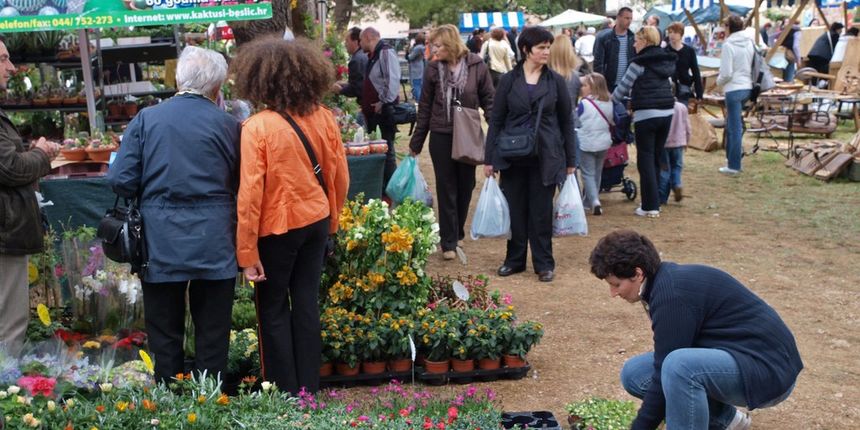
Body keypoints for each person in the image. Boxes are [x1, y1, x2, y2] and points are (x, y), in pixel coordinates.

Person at [108, 46, 240, 383]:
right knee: (213, 328)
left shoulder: (147, 119)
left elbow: (121, 180)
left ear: (179, 79)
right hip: (215, 238)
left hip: (160, 239)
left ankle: (168, 398)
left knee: (164, 328)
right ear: (216, 87)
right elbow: (245, 182)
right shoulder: (230, 125)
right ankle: (211, 397)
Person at [589, 229, 803, 430]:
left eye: (616, 284)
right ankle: (726, 420)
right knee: (635, 373)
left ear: (637, 274)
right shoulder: (661, 282)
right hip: (745, 357)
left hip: (769, 372)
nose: (613, 293)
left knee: (678, 366)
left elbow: (668, 365)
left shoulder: (672, 295)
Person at [232, 36, 349, 395]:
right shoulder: (324, 117)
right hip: (316, 221)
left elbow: (250, 196)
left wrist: (247, 254)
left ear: (259, 81)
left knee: (272, 309)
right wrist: (332, 221)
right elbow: (339, 174)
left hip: (276, 230)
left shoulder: (257, 127)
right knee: (307, 303)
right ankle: (308, 388)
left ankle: (282, 390)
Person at [484, 26, 576, 283]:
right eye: (541, 48)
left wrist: (571, 161)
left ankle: (544, 263)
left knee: (541, 211)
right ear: (526, 50)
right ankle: (514, 260)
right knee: (515, 210)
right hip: (513, 154)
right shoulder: (508, 80)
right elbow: (497, 119)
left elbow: (566, 122)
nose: (546, 51)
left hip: (546, 154)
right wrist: (489, 158)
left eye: (548, 47)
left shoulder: (555, 81)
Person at [408, 24, 494, 261]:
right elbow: (424, 107)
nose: (433, 50)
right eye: (432, 45)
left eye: (437, 45)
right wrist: (416, 143)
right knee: (446, 188)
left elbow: (489, 100)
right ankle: (448, 241)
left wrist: (495, 134)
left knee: (465, 186)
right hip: (441, 134)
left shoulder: (477, 65)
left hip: (467, 133)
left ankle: (457, 231)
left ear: (450, 44)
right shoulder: (433, 69)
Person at [0, 39, 60, 355]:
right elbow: (9, 168)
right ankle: (7, 397)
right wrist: (41, 153)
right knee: (9, 328)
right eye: (3, 59)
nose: (11, 67)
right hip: (4, 233)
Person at [612, 26, 676, 218]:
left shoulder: (638, 64)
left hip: (646, 114)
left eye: (637, 40)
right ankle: (655, 201)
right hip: (667, 112)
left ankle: (649, 206)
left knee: (645, 160)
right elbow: (670, 85)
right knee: (657, 157)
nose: (634, 43)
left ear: (646, 42)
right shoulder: (666, 61)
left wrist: (607, 101)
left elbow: (621, 90)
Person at [359, 27, 401, 190]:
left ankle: (392, 188)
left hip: (384, 112)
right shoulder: (373, 55)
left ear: (369, 37)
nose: (360, 43)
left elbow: (393, 80)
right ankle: (383, 186)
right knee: (381, 149)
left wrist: (383, 102)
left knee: (387, 151)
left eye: (361, 40)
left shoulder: (385, 52)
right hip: (375, 112)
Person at [716, 15, 754, 175]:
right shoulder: (750, 42)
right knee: (734, 126)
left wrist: (718, 82)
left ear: (729, 27)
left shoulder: (728, 45)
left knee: (734, 128)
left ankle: (734, 165)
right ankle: (732, 160)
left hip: (733, 88)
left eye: (725, 26)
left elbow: (726, 73)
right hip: (747, 87)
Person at [576, 73, 613, 215]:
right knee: (597, 173)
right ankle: (591, 199)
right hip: (603, 142)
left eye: (585, 85)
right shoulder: (609, 102)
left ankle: (594, 201)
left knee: (587, 173)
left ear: (592, 88)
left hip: (587, 142)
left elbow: (577, 119)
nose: (581, 88)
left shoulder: (584, 104)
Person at [593, 7, 635, 91]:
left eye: (631, 18)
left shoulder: (633, 38)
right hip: (608, 85)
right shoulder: (604, 38)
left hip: (627, 85)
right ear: (618, 17)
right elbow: (598, 64)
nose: (629, 21)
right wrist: (601, 85)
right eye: (626, 18)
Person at [659, 100, 690, 204]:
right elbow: (687, 126)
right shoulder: (682, 107)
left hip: (664, 143)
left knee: (664, 170)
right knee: (677, 166)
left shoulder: (661, 106)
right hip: (679, 143)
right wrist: (687, 140)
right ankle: (677, 184)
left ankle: (662, 197)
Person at [665, 21, 703, 106]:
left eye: (675, 32)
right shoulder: (665, 51)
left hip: (684, 88)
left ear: (681, 34)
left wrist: (699, 93)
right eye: (670, 32)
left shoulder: (689, 51)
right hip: (668, 88)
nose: (672, 35)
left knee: (682, 114)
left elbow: (695, 71)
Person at [334, 27, 369, 106]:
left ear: (356, 42)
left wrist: (340, 90)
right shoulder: (364, 55)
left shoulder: (356, 60)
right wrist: (345, 84)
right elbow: (360, 82)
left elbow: (356, 89)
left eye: (347, 41)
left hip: (367, 105)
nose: (345, 44)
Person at [408, 33, 427, 102]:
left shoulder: (417, 48)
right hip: (420, 66)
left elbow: (410, 57)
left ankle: (419, 101)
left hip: (415, 68)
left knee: (416, 85)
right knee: (419, 85)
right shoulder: (423, 47)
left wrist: (409, 50)